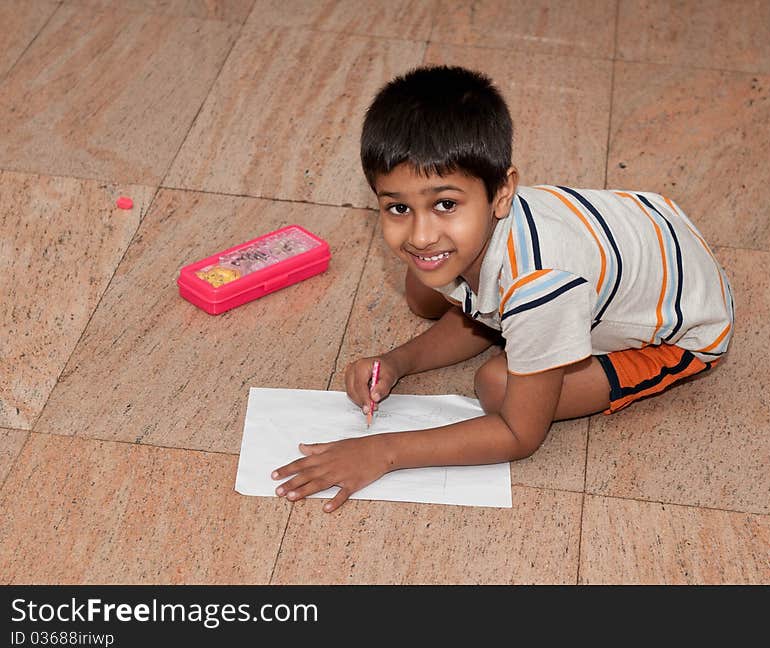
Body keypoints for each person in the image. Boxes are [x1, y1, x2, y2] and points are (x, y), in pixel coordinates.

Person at [272, 65, 735, 512]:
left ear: (502, 192)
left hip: (686, 325)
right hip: (651, 230)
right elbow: (470, 299)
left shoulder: (540, 284)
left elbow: (519, 434)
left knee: (495, 385)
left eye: (445, 204)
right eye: (397, 209)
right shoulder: (487, 224)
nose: (420, 234)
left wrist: (383, 452)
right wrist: (396, 362)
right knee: (423, 291)